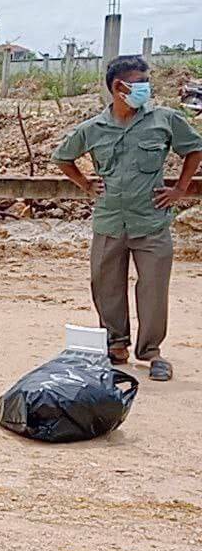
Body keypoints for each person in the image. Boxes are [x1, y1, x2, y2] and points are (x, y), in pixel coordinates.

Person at [53, 55, 202, 381]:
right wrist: (84, 182)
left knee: (153, 289)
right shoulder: (93, 128)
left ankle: (151, 353)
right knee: (106, 287)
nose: (145, 88)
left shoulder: (165, 120)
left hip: (150, 222)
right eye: (140, 82)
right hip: (109, 221)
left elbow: (194, 149)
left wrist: (179, 189)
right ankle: (115, 346)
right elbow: (62, 157)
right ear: (119, 87)